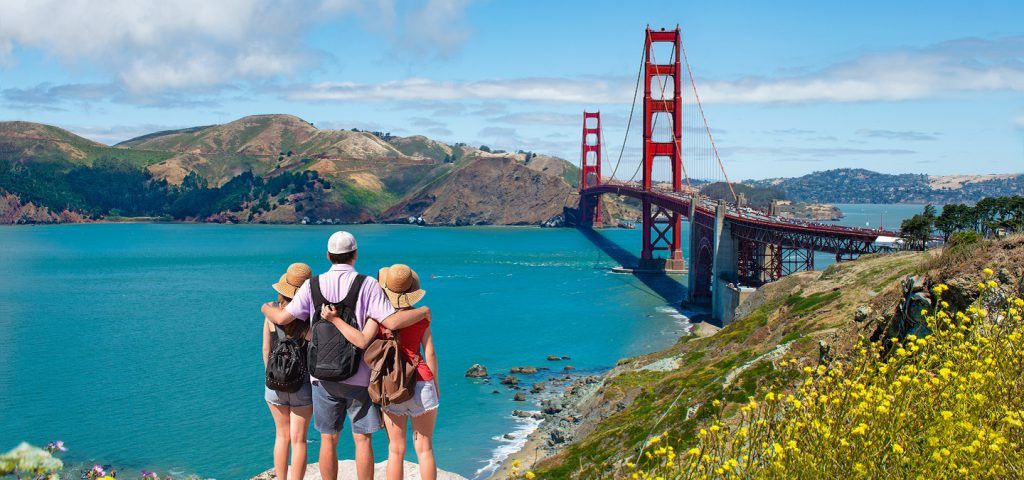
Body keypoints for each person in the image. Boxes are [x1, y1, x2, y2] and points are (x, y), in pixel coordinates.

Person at [261, 232, 429, 480]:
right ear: (355, 254)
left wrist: (265, 307)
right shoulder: (368, 284)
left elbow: (284, 319)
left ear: (328, 256)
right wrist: (423, 311)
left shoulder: (312, 285)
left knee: (328, 439)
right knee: (362, 440)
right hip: (359, 375)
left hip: (321, 376)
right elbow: (391, 321)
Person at [322, 263, 439, 480]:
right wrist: (436, 388)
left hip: (389, 386)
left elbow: (362, 343)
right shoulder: (422, 317)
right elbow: (430, 354)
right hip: (422, 381)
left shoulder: (377, 318)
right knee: (425, 449)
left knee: (395, 450)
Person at [262, 263, 313, 480]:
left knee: (282, 436)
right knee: (299, 439)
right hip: (302, 384)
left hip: (274, 384)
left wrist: (272, 376)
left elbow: (266, 349)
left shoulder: (272, 312)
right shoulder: (310, 315)